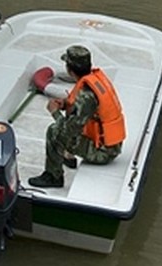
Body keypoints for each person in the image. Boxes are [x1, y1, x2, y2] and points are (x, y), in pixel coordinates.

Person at [28, 45, 125, 189]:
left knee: (53, 131)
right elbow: (85, 110)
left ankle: (53, 176)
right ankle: (69, 158)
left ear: (69, 69)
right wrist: (65, 104)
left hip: (103, 152)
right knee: (72, 124)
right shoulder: (95, 80)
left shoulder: (86, 95)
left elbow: (68, 130)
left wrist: (54, 111)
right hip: (111, 144)